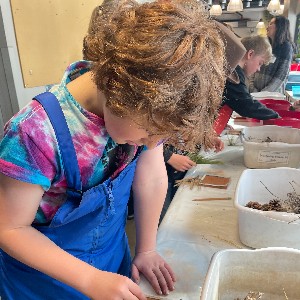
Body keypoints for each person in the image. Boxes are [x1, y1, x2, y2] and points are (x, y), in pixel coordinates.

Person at [0, 0, 226, 299]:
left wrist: (146, 249)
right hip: (43, 282)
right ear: (116, 91)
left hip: (110, 258)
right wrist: (90, 280)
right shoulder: (33, 133)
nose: (151, 142)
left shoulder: (148, 108)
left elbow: (152, 174)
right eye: (148, 132)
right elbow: (10, 229)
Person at [159, 21, 246, 223]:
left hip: (176, 160)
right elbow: (142, 134)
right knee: (162, 217)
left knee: (174, 206)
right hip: (160, 164)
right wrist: (168, 156)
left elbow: (189, 123)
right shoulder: (169, 84)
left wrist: (206, 135)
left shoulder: (194, 89)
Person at [216, 35, 279, 134]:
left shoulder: (232, 69)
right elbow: (246, 105)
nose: (258, 69)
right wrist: (276, 116)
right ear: (250, 54)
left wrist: (222, 124)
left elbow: (229, 101)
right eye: (260, 63)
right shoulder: (234, 73)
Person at [249, 16, 294, 93]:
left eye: (271, 24)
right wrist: (253, 89)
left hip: (272, 95)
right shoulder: (264, 45)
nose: (267, 27)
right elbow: (254, 66)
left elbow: (281, 76)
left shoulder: (286, 47)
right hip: (255, 93)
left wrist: (263, 94)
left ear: (280, 27)